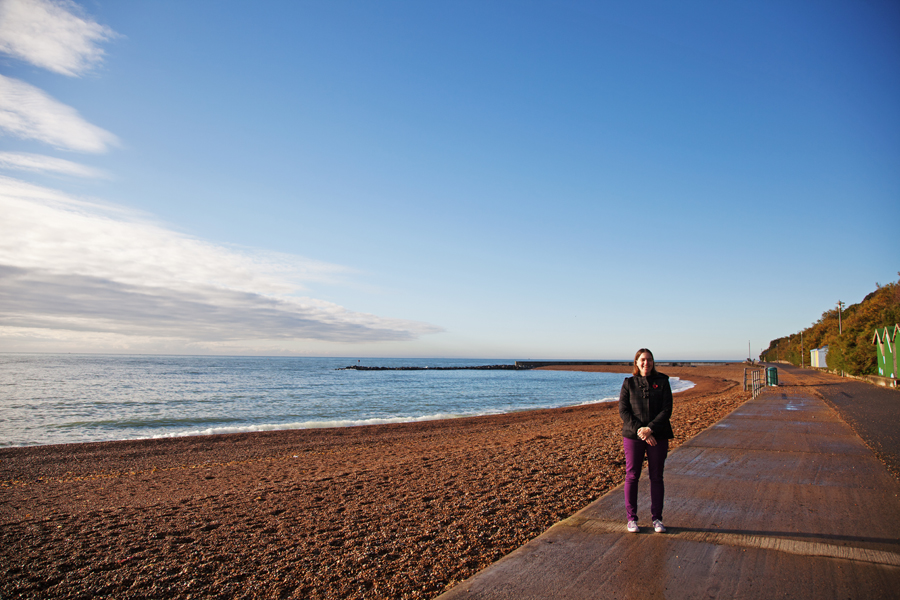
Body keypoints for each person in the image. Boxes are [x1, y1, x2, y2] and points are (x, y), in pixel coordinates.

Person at [618, 348, 673, 534]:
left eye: (649, 360)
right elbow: (624, 411)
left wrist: (650, 429)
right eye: (642, 360)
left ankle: (657, 519)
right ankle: (631, 519)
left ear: (653, 362)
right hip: (634, 436)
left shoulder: (663, 381)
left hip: (658, 435)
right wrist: (641, 431)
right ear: (636, 362)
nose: (646, 363)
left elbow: (667, 410)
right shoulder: (629, 383)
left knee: (656, 477)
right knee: (632, 475)